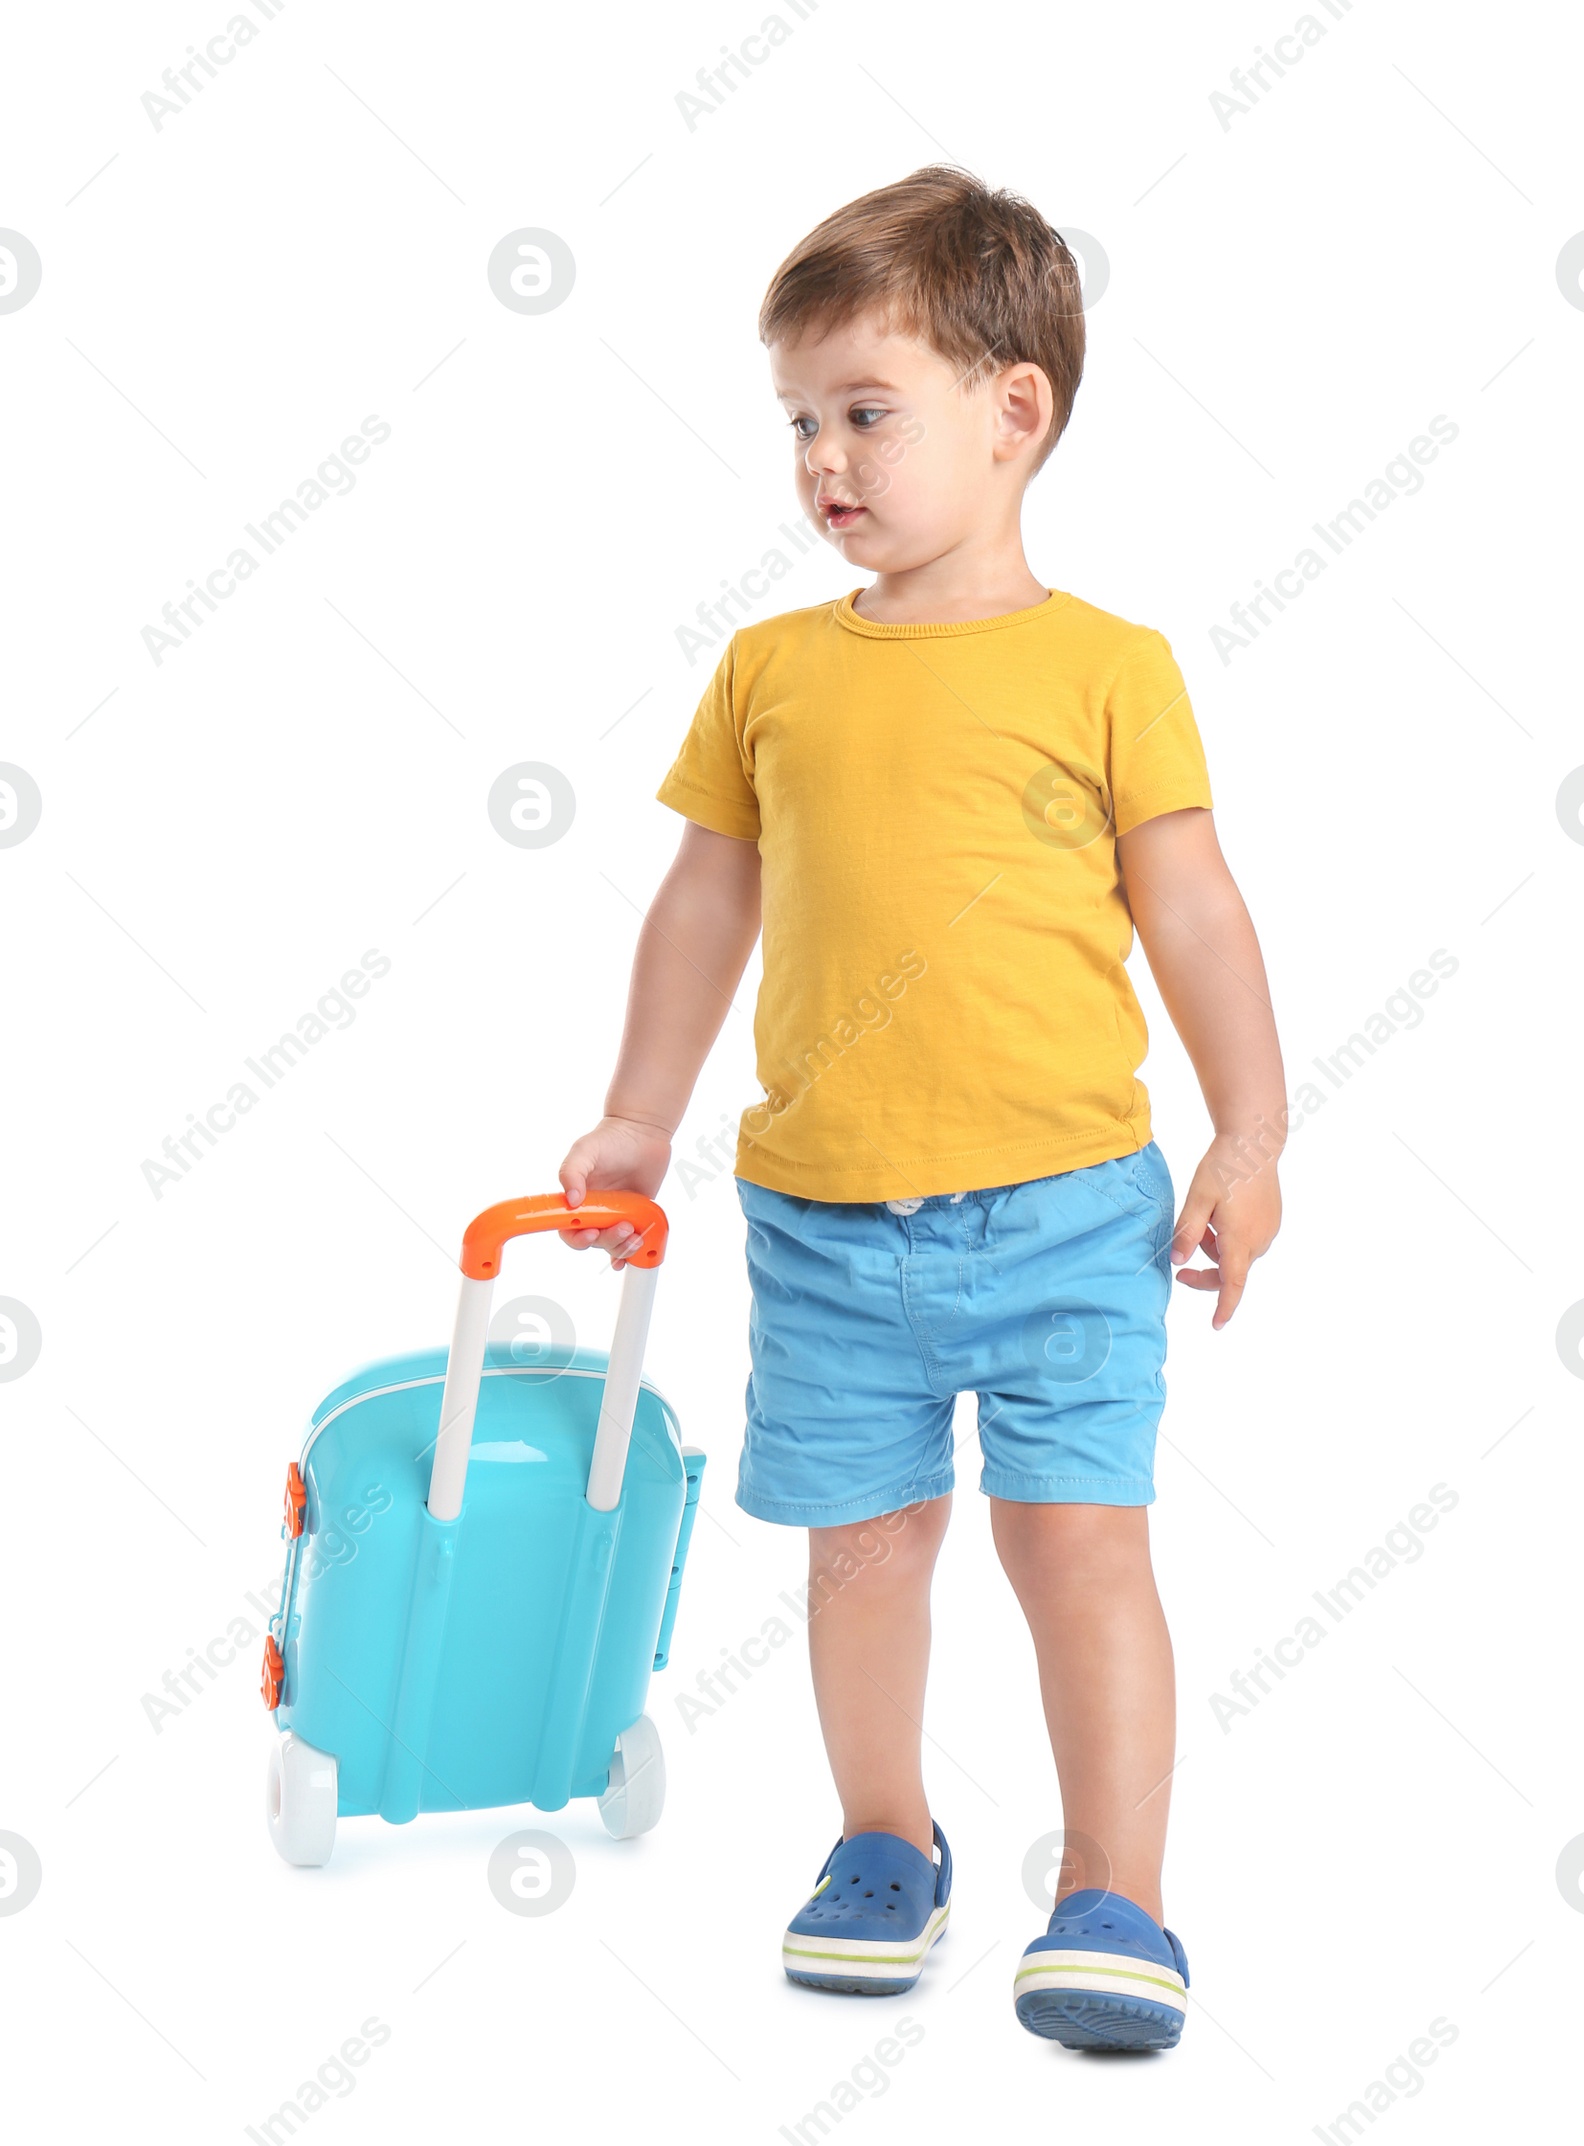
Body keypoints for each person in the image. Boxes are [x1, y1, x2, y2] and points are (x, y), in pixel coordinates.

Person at [557, 166, 1286, 2051]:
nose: (823, 459)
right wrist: (640, 1113)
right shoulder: (770, 670)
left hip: (1065, 1211)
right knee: (865, 1552)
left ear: (1012, 410)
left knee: (1079, 1547)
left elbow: (1195, 909)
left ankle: (1114, 1880)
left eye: (865, 410)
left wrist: (1252, 1129)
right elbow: (706, 898)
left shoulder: (1107, 668)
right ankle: (886, 1838)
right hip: (826, 1218)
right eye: (799, 420)